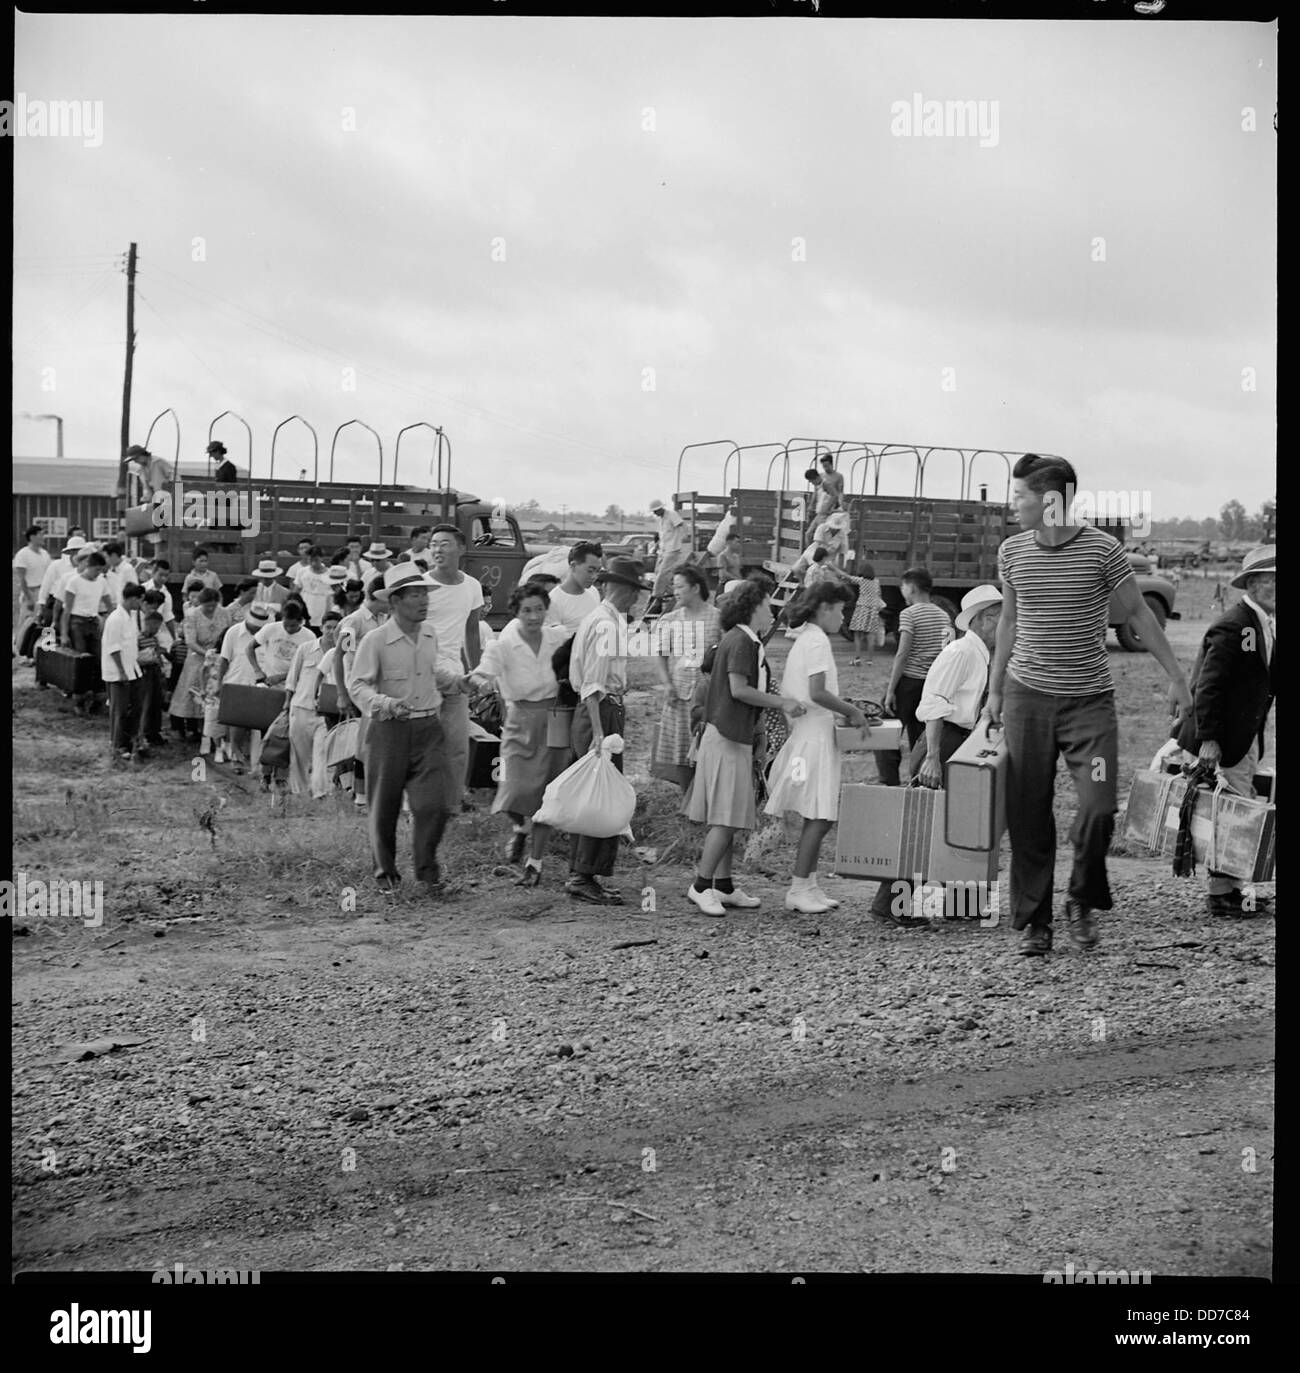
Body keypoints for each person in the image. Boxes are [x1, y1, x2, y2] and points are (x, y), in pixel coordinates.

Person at [985, 453, 1192, 956]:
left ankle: (1081, 897)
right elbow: (1009, 622)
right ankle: (1035, 921)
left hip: (1088, 705)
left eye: (1021, 496)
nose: (1015, 506)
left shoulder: (1103, 551)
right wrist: (994, 689)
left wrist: (1178, 679)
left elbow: (1140, 615)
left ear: (1052, 499)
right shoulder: (1012, 552)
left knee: (1098, 807)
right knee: (1027, 810)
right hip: (1025, 699)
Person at [869, 585, 1003, 925]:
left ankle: (962, 904)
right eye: (1002, 619)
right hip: (943, 742)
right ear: (985, 620)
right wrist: (932, 756)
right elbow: (933, 704)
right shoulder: (961, 652)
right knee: (924, 827)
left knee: (963, 823)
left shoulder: (980, 654)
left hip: (959, 741)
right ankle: (889, 906)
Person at [684, 579, 807, 916]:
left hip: (731, 737)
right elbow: (739, 690)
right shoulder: (742, 642)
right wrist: (782, 702)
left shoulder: (745, 640)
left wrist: (759, 737)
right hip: (726, 738)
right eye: (768, 605)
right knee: (725, 818)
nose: (772, 612)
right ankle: (700, 885)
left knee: (731, 815)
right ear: (753, 607)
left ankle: (721, 885)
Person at [348, 563, 469, 893]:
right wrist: (385, 704)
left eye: (424, 594)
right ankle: (386, 876)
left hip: (429, 727)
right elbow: (357, 685)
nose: (423, 601)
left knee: (436, 804)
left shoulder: (429, 634)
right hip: (389, 731)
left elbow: (435, 676)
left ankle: (427, 874)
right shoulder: (376, 640)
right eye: (415, 595)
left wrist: (460, 682)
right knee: (383, 808)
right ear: (395, 601)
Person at [1174, 547, 1276, 918]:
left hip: (1245, 735)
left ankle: (1232, 888)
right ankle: (1221, 895)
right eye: (1271, 580)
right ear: (1251, 583)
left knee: (1239, 804)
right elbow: (1208, 687)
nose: (1278, 587)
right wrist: (1209, 739)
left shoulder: (1263, 623)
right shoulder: (1234, 625)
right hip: (1225, 738)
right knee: (1228, 809)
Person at [762, 582, 868, 913]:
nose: (843, 617)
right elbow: (818, 692)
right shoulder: (818, 640)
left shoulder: (807, 637)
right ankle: (798, 888)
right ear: (824, 608)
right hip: (814, 737)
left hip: (812, 733)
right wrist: (852, 711)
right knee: (819, 815)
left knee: (818, 813)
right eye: (839, 610)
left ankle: (808, 884)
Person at [469, 581, 571, 886]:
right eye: (527, 610)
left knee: (548, 794)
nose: (534, 616)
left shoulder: (558, 638)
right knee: (510, 790)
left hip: (555, 718)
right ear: (516, 611)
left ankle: (535, 861)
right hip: (519, 719)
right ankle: (520, 828)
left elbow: (577, 666)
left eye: (539, 609)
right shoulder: (500, 645)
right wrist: (474, 681)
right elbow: (483, 672)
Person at [564, 557, 651, 905]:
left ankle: (586, 871)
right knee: (598, 795)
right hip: (600, 712)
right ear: (627, 591)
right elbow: (593, 684)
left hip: (600, 710)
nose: (636, 601)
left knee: (598, 792)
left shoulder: (604, 620)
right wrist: (599, 734)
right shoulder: (605, 625)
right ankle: (582, 874)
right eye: (635, 593)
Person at [425, 524, 489, 805]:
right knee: (425, 742)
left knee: (457, 743)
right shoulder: (421, 585)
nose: (438, 549)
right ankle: (417, 803)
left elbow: (472, 631)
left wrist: (476, 672)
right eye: (434, 544)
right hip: (425, 670)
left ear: (461, 549)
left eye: (445, 544)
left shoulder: (472, 586)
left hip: (456, 672)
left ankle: (451, 803)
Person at [650, 565, 722, 788]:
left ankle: (704, 797)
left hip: (709, 696)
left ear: (695, 588)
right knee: (681, 747)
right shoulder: (670, 619)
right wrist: (667, 684)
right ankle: (686, 797)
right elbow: (660, 655)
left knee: (708, 746)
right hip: (679, 694)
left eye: (680, 586)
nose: (676, 591)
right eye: (674, 587)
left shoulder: (718, 618)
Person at [885, 567, 953, 753]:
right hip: (930, 685)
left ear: (912, 588)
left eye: (903, 586)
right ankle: (918, 778)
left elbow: (902, 654)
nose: (902, 591)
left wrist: (891, 690)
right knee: (921, 737)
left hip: (908, 682)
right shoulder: (944, 616)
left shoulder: (909, 614)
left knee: (888, 732)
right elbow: (947, 652)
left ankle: (889, 779)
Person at [285, 611, 342, 798]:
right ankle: (299, 790)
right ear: (321, 628)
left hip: (327, 711)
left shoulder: (342, 653)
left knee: (322, 752)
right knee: (300, 754)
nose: (331, 631)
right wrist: (287, 703)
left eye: (335, 628)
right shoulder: (306, 648)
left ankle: (320, 790)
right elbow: (292, 678)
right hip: (302, 706)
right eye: (328, 627)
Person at [215, 602, 271, 772]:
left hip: (262, 683)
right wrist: (219, 682)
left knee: (261, 725)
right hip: (237, 681)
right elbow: (224, 659)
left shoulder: (268, 633)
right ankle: (236, 758)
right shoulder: (233, 632)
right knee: (237, 725)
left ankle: (260, 763)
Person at [171, 587, 231, 742]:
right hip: (197, 657)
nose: (211, 608)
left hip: (218, 658)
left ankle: (212, 730)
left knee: (214, 692)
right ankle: (192, 728)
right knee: (194, 691)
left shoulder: (224, 613)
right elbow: (190, 641)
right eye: (207, 606)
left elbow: (228, 634)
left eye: (213, 605)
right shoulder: (192, 615)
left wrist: (220, 653)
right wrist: (206, 653)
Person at [101, 582, 147, 762]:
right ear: (133, 599)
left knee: (135, 708)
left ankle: (130, 741)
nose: (140, 604)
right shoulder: (115, 618)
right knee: (119, 710)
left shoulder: (131, 616)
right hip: (118, 672)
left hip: (133, 669)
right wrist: (121, 672)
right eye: (139, 600)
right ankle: (117, 745)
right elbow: (114, 648)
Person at [544, 541, 603, 637]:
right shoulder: (554, 600)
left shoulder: (593, 592)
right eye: (590, 571)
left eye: (597, 571)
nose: (594, 576)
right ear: (573, 566)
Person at [12, 524, 50, 657]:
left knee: (41, 623)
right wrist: (29, 598)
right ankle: (19, 652)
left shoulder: (44, 554)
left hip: (43, 592)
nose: (43, 537)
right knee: (25, 624)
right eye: (41, 534)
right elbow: (21, 579)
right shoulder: (23, 554)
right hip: (30, 592)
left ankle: (37, 652)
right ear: (32, 537)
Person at [136, 609, 172, 749]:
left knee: (157, 703)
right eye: (154, 626)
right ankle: (145, 732)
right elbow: (136, 657)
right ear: (146, 623)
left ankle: (155, 732)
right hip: (145, 673)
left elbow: (158, 656)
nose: (155, 629)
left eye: (158, 627)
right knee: (147, 703)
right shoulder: (139, 639)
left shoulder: (154, 639)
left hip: (155, 672)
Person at [648, 499, 693, 607]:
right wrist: (656, 547)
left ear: (660, 509)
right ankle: (671, 591)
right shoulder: (660, 520)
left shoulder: (672, 514)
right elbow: (662, 536)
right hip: (663, 550)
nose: (654, 513)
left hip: (673, 549)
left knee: (662, 573)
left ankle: (656, 596)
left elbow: (682, 525)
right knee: (658, 572)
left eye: (655, 511)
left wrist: (685, 535)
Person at [844, 561, 884, 667]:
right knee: (870, 637)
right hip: (873, 610)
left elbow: (847, 577)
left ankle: (857, 659)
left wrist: (832, 568)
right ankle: (870, 661)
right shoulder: (876, 581)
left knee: (858, 636)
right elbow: (879, 595)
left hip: (862, 609)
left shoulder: (862, 581)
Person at [297, 546, 333, 626]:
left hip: (321, 607)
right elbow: (297, 590)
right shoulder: (302, 572)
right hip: (305, 605)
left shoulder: (330, 574)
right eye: (310, 560)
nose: (313, 563)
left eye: (316, 560)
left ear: (321, 558)